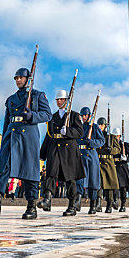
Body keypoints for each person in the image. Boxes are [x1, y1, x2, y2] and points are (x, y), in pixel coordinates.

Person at [0, 67, 51, 220]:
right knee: (3, 166)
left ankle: (31, 205)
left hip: (28, 133)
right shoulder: (11, 99)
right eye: (16, 78)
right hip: (11, 134)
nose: (18, 80)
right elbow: (7, 121)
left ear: (28, 78)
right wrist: (5, 135)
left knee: (29, 170)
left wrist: (32, 115)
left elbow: (47, 115)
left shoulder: (38, 95)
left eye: (21, 77)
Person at [37, 89, 85, 217]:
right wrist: (42, 154)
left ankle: (72, 205)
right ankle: (47, 199)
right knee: (51, 174)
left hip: (69, 150)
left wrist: (68, 131)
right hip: (55, 147)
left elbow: (80, 132)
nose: (59, 101)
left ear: (67, 100)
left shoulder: (74, 115)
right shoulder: (53, 117)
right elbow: (48, 135)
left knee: (70, 178)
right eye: (57, 99)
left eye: (61, 99)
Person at [76, 107, 105, 214]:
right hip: (80, 155)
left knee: (93, 182)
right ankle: (77, 201)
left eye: (85, 115)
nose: (83, 117)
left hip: (91, 155)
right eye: (82, 115)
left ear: (89, 116)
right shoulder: (79, 126)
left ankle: (92, 205)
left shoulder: (95, 127)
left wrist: (91, 142)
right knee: (79, 179)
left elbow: (101, 141)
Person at [112, 128, 129, 212]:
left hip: (122, 168)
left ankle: (123, 204)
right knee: (114, 186)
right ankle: (115, 200)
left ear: (119, 136)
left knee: (123, 188)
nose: (115, 138)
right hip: (114, 167)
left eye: (116, 136)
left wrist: (126, 158)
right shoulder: (110, 145)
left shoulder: (125, 145)